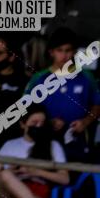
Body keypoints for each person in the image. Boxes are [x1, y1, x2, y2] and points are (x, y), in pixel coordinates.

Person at [24, 27, 100, 162]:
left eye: (68, 50)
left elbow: (97, 105)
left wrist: (85, 122)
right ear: (51, 52)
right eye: (59, 50)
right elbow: (25, 108)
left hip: (78, 141)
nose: (64, 56)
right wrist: (47, 122)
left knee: (76, 179)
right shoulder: (39, 78)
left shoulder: (86, 77)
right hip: (44, 142)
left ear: (75, 52)